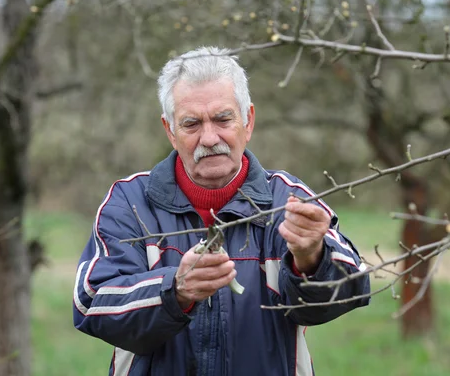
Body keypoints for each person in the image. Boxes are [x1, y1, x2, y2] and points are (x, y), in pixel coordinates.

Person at [73, 46, 370, 376]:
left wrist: (312, 257)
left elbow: (353, 284)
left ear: (249, 121)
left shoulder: (287, 201)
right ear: (170, 131)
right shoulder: (130, 204)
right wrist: (175, 290)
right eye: (191, 124)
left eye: (223, 118)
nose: (210, 137)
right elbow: (91, 303)